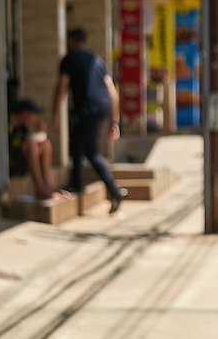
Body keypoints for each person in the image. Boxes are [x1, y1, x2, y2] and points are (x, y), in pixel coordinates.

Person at [51, 28, 128, 214]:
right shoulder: (97, 60)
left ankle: (114, 190)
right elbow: (112, 92)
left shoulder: (68, 60)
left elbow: (61, 89)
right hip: (101, 108)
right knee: (76, 144)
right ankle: (77, 183)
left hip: (87, 109)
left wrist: (54, 116)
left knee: (91, 151)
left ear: (71, 41)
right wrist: (114, 121)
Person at [8, 98, 63, 200]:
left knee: (46, 144)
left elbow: (24, 142)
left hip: (21, 161)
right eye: (34, 114)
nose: (35, 118)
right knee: (31, 144)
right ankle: (40, 189)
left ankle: (48, 186)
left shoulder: (22, 127)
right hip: (8, 164)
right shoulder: (8, 123)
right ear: (24, 113)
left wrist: (37, 132)